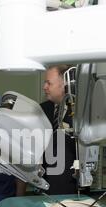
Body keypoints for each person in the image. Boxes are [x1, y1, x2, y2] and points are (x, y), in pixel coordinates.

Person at [40, 65, 78, 195]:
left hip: (72, 190)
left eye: (48, 83)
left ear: (65, 85)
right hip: (43, 187)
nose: (44, 87)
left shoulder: (80, 112)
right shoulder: (41, 110)